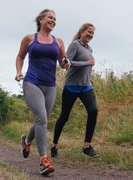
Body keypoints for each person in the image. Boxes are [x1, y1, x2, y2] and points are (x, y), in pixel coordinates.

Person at [15, 9, 69, 175]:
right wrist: (18, 72)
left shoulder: (58, 41)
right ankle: (44, 161)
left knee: (42, 120)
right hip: (32, 82)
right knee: (42, 119)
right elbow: (20, 57)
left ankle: (26, 139)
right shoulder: (30, 38)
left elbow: (62, 61)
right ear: (41, 19)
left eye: (55, 19)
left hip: (50, 85)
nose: (53, 20)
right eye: (50, 18)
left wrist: (66, 63)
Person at [51, 23, 99, 158]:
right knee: (64, 117)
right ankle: (54, 145)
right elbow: (67, 64)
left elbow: (88, 67)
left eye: (93, 33)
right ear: (82, 32)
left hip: (86, 86)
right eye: (89, 32)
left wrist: (90, 78)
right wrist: (87, 63)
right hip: (71, 86)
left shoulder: (90, 48)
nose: (91, 35)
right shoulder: (75, 45)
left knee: (93, 111)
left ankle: (86, 146)